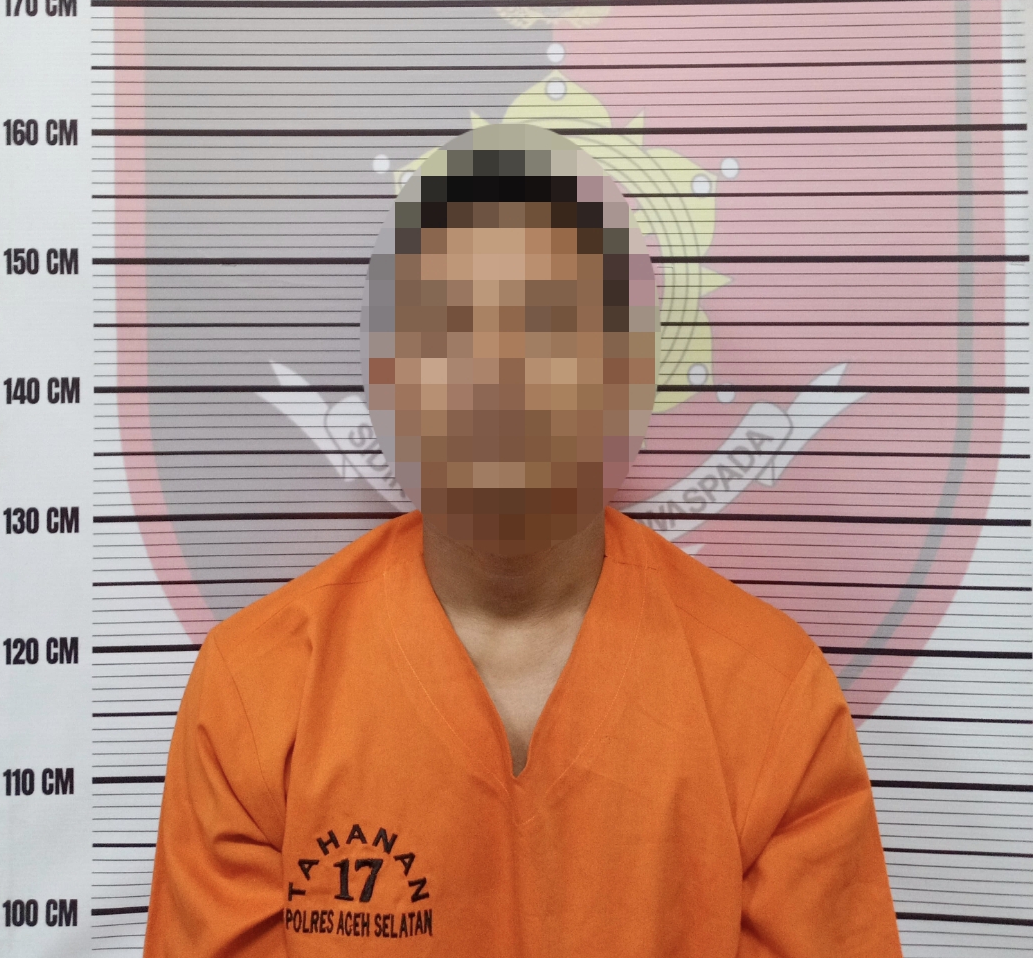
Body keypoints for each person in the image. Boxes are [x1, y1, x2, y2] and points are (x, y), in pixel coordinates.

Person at [145, 125, 902, 956]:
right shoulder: (255, 692)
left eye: (548, 323)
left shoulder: (771, 698)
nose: (496, 371)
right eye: (448, 326)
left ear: (629, 372)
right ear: (386, 377)